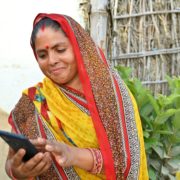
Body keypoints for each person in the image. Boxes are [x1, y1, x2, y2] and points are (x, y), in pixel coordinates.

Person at [5, 13, 149, 179]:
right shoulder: (32, 102)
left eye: (60, 50)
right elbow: (11, 162)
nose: (52, 60)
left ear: (78, 46)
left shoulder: (109, 93)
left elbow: (127, 163)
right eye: (42, 55)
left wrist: (72, 155)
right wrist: (18, 172)